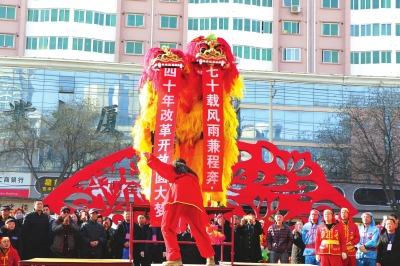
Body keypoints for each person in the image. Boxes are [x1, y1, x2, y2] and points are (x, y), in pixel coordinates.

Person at [143, 152, 215, 266]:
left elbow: (163, 168)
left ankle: (175, 258)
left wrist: (151, 158)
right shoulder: (193, 177)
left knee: (167, 228)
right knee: (199, 230)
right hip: (194, 204)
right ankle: (210, 258)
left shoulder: (177, 168)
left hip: (178, 199)